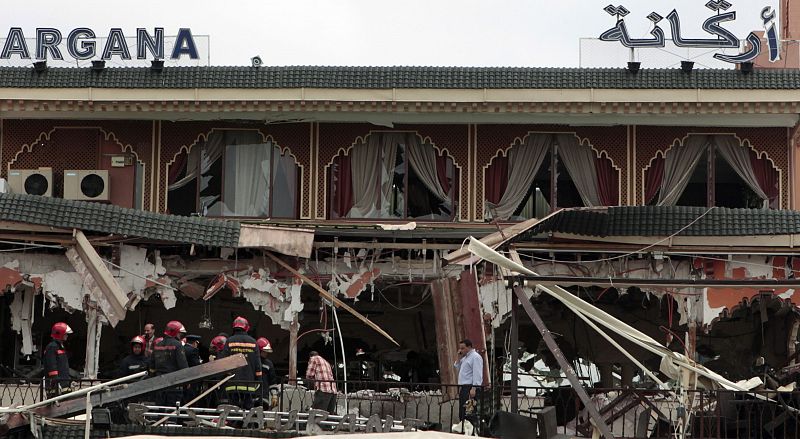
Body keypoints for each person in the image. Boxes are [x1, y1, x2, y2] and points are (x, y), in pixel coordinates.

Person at [218, 316, 262, 409]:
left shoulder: (229, 341)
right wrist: (258, 380)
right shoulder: (253, 342)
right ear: (246, 328)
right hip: (249, 385)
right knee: (247, 411)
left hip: (232, 384)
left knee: (233, 411)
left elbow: (224, 363)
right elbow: (258, 365)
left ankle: (233, 423)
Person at [149, 320, 189, 406]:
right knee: (172, 413)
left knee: (160, 412)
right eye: (179, 334)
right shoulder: (178, 345)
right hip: (174, 386)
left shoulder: (157, 345)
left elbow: (152, 367)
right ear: (175, 333)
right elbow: (183, 365)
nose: (180, 336)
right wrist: (188, 381)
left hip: (159, 385)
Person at [453, 339, 483, 425]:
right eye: (460, 348)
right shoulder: (465, 358)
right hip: (464, 388)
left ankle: (471, 429)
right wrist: (459, 356)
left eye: (463, 348)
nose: (461, 350)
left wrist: (474, 388)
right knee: (463, 411)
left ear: (469, 347)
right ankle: (463, 427)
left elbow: (477, 374)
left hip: (470, 388)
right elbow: (457, 366)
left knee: (469, 411)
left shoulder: (475, 357)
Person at [43, 322, 73, 398]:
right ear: (60, 334)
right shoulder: (52, 347)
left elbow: (63, 366)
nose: (67, 335)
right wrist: (56, 381)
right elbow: (52, 366)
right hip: (56, 387)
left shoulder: (60, 347)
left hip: (64, 384)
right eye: (65, 334)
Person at [257, 337, 277, 408]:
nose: (266, 353)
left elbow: (272, 381)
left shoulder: (268, 364)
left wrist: (274, 395)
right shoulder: (252, 362)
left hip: (264, 397)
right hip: (251, 397)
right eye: (264, 351)